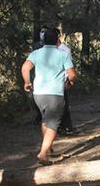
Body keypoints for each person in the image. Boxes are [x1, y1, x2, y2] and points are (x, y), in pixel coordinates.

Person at [21, 27, 76, 165]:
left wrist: (27, 82)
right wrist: (70, 82)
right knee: (54, 123)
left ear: (43, 41)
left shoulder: (36, 53)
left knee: (46, 120)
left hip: (38, 93)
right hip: (55, 93)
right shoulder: (62, 54)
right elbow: (72, 74)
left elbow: (25, 68)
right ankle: (43, 153)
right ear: (58, 40)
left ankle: (48, 147)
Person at [55, 28, 77, 135]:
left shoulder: (64, 50)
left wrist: (69, 79)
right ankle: (60, 127)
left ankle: (67, 127)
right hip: (52, 82)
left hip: (62, 80)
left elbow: (69, 67)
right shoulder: (48, 50)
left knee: (64, 105)